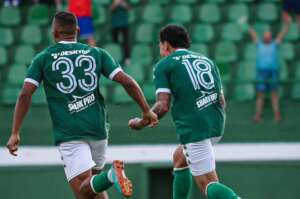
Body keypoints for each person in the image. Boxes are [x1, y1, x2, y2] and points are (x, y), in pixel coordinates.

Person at [6, 11, 158, 199]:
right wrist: (146, 111)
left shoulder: (43, 58)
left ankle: (111, 175)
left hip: (71, 132)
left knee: (82, 191)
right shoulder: (97, 53)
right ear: (77, 30)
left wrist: (15, 132)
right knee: (94, 188)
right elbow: (127, 82)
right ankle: (108, 177)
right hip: (99, 130)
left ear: (54, 33)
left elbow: (25, 95)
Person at [128, 25, 241, 199]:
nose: (160, 49)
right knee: (179, 158)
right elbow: (222, 101)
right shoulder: (207, 61)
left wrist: (140, 122)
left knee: (208, 185)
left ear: (165, 44)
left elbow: (163, 105)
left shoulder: (164, 65)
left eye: (160, 45)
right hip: (216, 125)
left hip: (195, 131)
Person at [247, 18, 291, 122]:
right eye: (266, 35)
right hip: (261, 73)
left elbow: (282, 34)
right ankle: (257, 116)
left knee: (274, 94)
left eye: (269, 35)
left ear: (271, 37)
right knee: (260, 95)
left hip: (273, 73)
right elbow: (252, 33)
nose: (267, 37)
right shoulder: (259, 44)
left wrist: (287, 25)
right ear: (263, 37)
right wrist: (246, 24)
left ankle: (277, 116)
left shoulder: (274, 44)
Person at [111, 0, 131, 65]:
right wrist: (115, 4)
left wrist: (123, 4)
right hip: (115, 24)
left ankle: (127, 58)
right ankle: (115, 59)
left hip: (124, 23)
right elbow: (111, 9)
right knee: (115, 43)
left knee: (125, 42)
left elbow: (129, 8)